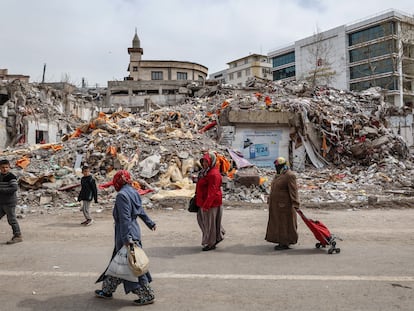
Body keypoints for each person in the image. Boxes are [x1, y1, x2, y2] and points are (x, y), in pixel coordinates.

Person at [95, 170, 157, 306]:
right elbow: (140, 210)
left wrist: (126, 239)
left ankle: (147, 294)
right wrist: (149, 223)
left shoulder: (122, 195)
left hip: (126, 233)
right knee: (118, 263)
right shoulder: (133, 191)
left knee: (132, 265)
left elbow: (124, 219)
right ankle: (107, 290)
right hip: (133, 230)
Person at [265, 157, 299, 250]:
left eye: (278, 166)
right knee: (278, 223)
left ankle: (285, 242)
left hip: (285, 206)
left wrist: (295, 203)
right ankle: (280, 240)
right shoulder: (278, 175)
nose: (276, 168)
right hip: (276, 205)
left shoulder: (289, 175)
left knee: (284, 224)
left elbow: (293, 191)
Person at [195, 151, 225, 251]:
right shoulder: (206, 172)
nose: (204, 164)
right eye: (203, 162)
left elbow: (212, 191)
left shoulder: (213, 174)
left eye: (206, 162)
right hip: (204, 201)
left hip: (211, 203)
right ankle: (217, 236)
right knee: (207, 222)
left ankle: (210, 243)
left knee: (209, 224)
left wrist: (206, 205)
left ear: (211, 162)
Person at [0, 159, 23, 244]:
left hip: (9, 202)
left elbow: (14, 188)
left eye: (6, 167)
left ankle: (18, 236)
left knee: (12, 220)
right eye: (3, 167)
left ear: (9, 167)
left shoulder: (11, 177)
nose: (5, 169)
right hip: (1, 202)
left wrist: (1, 190)